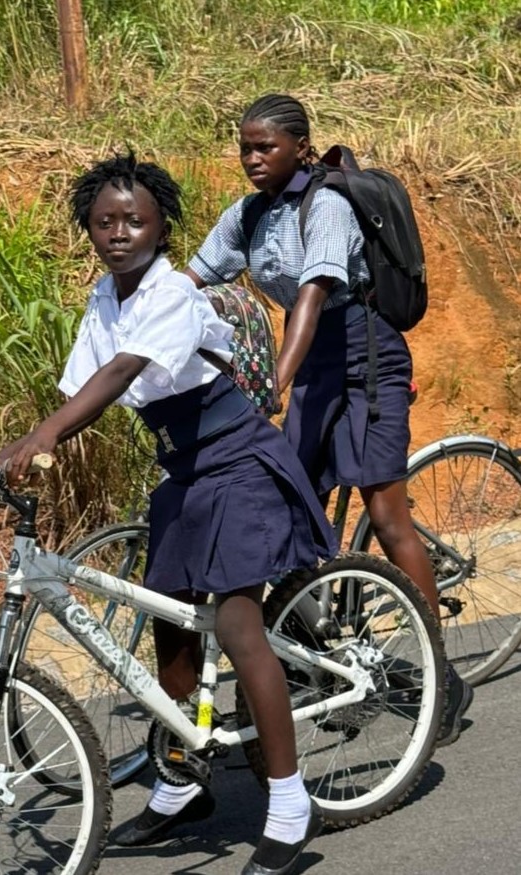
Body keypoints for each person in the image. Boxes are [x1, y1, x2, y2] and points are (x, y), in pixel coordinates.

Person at [0, 151, 338, 875]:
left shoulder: (170, 293)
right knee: (168, 621)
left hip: (236, 462)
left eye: (134, 219)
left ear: (162, 224)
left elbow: (118, 375)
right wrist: (10, 450)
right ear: (88, 229)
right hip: (183, 473)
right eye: (103, 221)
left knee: (235, 624)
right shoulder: (105, 299)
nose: (118, 232)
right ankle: (180, 783)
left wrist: (44, 435)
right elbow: (78, 386)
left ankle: (289, 805)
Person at [184, 92, 473, 746]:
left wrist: (272, 384)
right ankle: (308, 652)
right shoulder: (249, 214)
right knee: (291, 503)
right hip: (310, 363)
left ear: (300, 148)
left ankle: (439, 671)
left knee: (384, 508)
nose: (252, 159)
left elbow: (310, 299)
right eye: (244, 148)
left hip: (363, 355)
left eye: (265, 147)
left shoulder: (330, 205)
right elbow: (192, 279)